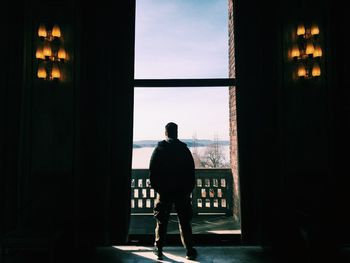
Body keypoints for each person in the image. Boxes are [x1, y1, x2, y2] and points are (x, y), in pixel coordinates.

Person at [149, 122, 197, 260]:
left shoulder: (160, 149)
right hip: (182, 192)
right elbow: (190, 172)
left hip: (164, 192)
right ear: (176, 132)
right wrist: (187, 190)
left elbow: (153, 172)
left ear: (165, 132)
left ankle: (158, 249)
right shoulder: (184, 149)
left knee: (161, 221)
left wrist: (159, 189)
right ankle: (189, 250)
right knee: (184, 222)